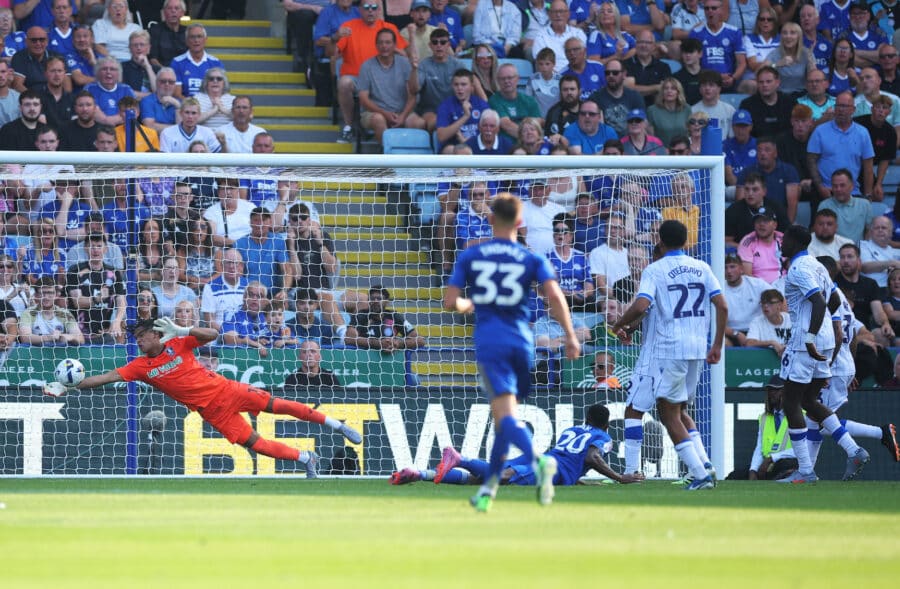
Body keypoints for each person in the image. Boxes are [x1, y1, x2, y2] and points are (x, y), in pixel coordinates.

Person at [44, 317, 362, 478]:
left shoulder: (178, 342)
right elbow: (105, 378)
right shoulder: (140, 366)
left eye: (142, 336)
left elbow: (214, 334)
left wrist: (183, 329)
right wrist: (71, 386)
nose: (139, 341)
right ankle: (306, 459)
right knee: (256, 444)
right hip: (212, 413)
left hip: (228, 390)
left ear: (156, 333)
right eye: (136, 338)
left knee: (279, 406)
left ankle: (338, 425)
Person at [442, 193, 579, 511]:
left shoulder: (472, 255)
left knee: (504, 418)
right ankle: (488, 490)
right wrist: (570, 336)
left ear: (490, 219)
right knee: (504, 419)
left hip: (492, 341)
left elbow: (450, 302)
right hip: (523, 342)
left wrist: (468, 304)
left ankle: (538, 461)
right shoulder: (532, 259)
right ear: (520, 222)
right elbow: (554, 297)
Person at [612, 220, 727, 490]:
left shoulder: (655, 270)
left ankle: (697, 474)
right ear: (686, 240)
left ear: (660, 241)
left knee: (663, 414)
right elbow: (722, 305)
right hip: (697, 348)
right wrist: (717, 345)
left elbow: (642, 304)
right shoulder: (702, 267)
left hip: (665, 350)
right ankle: (704, 464)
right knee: (680, 410)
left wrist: (618, 324)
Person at [775, 225, 869, 484]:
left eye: (785, 239)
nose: (781, 244)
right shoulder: (818, 266)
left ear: (795, 242)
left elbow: (818, 302)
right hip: (826, 339)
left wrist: (809, 337)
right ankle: (853, 450)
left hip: (806, 340)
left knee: (791, 402)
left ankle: (805, 471)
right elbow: (835, 301)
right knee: (809, 401)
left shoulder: (798, 268)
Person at [392, 404, 642, 486]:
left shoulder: (573, 429)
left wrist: (579, 480)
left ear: (586, 418)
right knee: (502, 478)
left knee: (479, 479)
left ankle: (420, 473)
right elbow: (591, 457)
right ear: (606, 425)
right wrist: (620, 477)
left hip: (545, 458)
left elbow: (571, 459)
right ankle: (461, 459)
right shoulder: (603, 437)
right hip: (552, 467)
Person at [810, 255, 900, 468]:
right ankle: (806, 471)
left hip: (833, 366)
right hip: (842, 365)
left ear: (822, 273)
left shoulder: (826, 297)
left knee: (818, 419)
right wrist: (849, 368)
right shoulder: (839, 296)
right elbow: (851, 337)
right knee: (818, 420)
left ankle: (811, 469)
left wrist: (828, 368)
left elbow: (838, 335)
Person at [807, 91, 875, 202]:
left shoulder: (863, 133)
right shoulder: (820, 131)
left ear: (853, 109)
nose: (840, 110)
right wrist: (820, 187)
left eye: (845, 106)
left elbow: (868, 167)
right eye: (838, 106)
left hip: (853, 193)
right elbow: (811, 161)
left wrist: (868, 195)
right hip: (825, 191)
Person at [357, 28, 419, 144]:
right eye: (380, 43)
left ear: (394, 45)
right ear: (376, 45)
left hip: (402, 111)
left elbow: (412, 96)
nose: (384, 46)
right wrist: (384, 113)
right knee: (378, 119)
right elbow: (363, 98)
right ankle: (387, 152)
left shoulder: (405, 63)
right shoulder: (367, 66)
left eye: (388, 42)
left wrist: (403, 116)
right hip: (374, 112)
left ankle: (408, 153)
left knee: (418, 123)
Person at [837, 242, 895, 346]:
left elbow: (878, 312)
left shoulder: (870, 284)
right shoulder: (833, 282)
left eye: (850, 257)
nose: (845, 261)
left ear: (859, 260)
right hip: (841, 329)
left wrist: (885, 323)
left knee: (882, 335)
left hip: (864, 330)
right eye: (842, 257)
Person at [743, 375, 799, 481]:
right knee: (735, 476)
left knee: (784, 466)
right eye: (770, 390)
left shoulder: (800, 416)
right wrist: (753, 470)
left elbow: (804, 450)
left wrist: (772, 458)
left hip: (788, 463)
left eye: (777, 390)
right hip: (768, 466)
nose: (772, 393)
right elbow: (759, 448)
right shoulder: (764, 418)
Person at [689, 0, 749, 93]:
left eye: (714, 8)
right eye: (706, 8)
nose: (710, 11)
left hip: (727, 82)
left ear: (722, 10)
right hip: (704, 82)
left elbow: (742, 63)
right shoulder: (696, 33)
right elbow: (692, 63)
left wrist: (733, 78)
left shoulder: (734, 32)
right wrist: (714, 77)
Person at [345, 284, 425, 353]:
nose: (375, 301)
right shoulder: (360, 316)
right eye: (372, 298)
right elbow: (349, 339)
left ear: (386, 302)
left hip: (390, 360)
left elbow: (420, 340)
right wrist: (379, 344)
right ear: (368, 301)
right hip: (365, 358)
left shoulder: (394, 316)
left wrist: (398, 343)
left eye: (379, 298)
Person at [587, 58, 645, 136]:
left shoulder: (635, 97)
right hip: (605, 141)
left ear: (624, 74)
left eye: (615, 73)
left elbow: (643, 125)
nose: (611, 76)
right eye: (607, 73)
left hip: (630, 140)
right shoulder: (595, 98)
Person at [18, 275, 82, 346]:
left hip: (61, 352)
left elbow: (81, 338)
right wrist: (49, 337)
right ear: (36, 295)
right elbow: (24, 338)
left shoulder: (65, 313)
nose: (46, 297)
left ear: (56, 295)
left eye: (50, 293)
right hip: (36, 352)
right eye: (42, 293)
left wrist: (67, 337)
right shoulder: (28, 313)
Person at [722, 252, 769, 346]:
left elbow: (779, 298)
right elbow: (717, 324)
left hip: (757, 331)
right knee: (723, 342)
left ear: (741, 269)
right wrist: (736, 334)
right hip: (732, 332)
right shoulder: (719, 288)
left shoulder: (757, 284)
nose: (729, 271)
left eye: (732, 267)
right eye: (725, 267)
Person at [817, 168, 875, 243]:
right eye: (835, 186)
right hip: (833, 248)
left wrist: (865, 248)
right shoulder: (824, 205)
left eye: (842, 185)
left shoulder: (864, 205)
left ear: (852, 186)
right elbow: (821, 233)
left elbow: (869, 232)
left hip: (858, 249)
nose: (838, 189)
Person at [170, 23, 223, 99]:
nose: (196, 40)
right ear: (186, 41)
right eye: (192, 37)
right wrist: (192, 104)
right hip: (186, 105)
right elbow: (177, 94)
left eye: (199, 36)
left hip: (211, 104)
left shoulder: (216, 63)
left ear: (205, 40)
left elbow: (221, 92)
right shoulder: (177, 62)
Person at [200, 247, 247, 332]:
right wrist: (226, 333)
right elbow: (209, 321)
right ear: (222, 265)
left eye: (235, 263)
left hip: (246, 333)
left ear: (241, 266)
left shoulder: (249, 286)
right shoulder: (210, 287)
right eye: (228, 263)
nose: (231, 266)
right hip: (220, 334)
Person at [745, 289, 791, 357]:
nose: (765, 306)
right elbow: (749, 343)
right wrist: (772, 343)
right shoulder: (757, 322)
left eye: (770, 303)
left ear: (780, 304)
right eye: (763, 303)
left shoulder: (791, 319)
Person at [861, 216, 900, 287]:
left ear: (891, 233)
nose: (880, 230)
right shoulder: (863, 245)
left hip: (891, 289)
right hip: (870, 288)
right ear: (871, 232)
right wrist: (892, 263)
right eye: (876, 228)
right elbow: (865, 267)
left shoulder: (896, 252)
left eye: (884, 228)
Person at [149, 0, 187, 68]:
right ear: (164, 12)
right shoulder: (154, 31)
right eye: (169, 8)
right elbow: (153, 59)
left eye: (176, 8)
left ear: (183, 13)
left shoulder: (188, 32)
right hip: (161, 71)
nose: (173, 11)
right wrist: (166, 71)